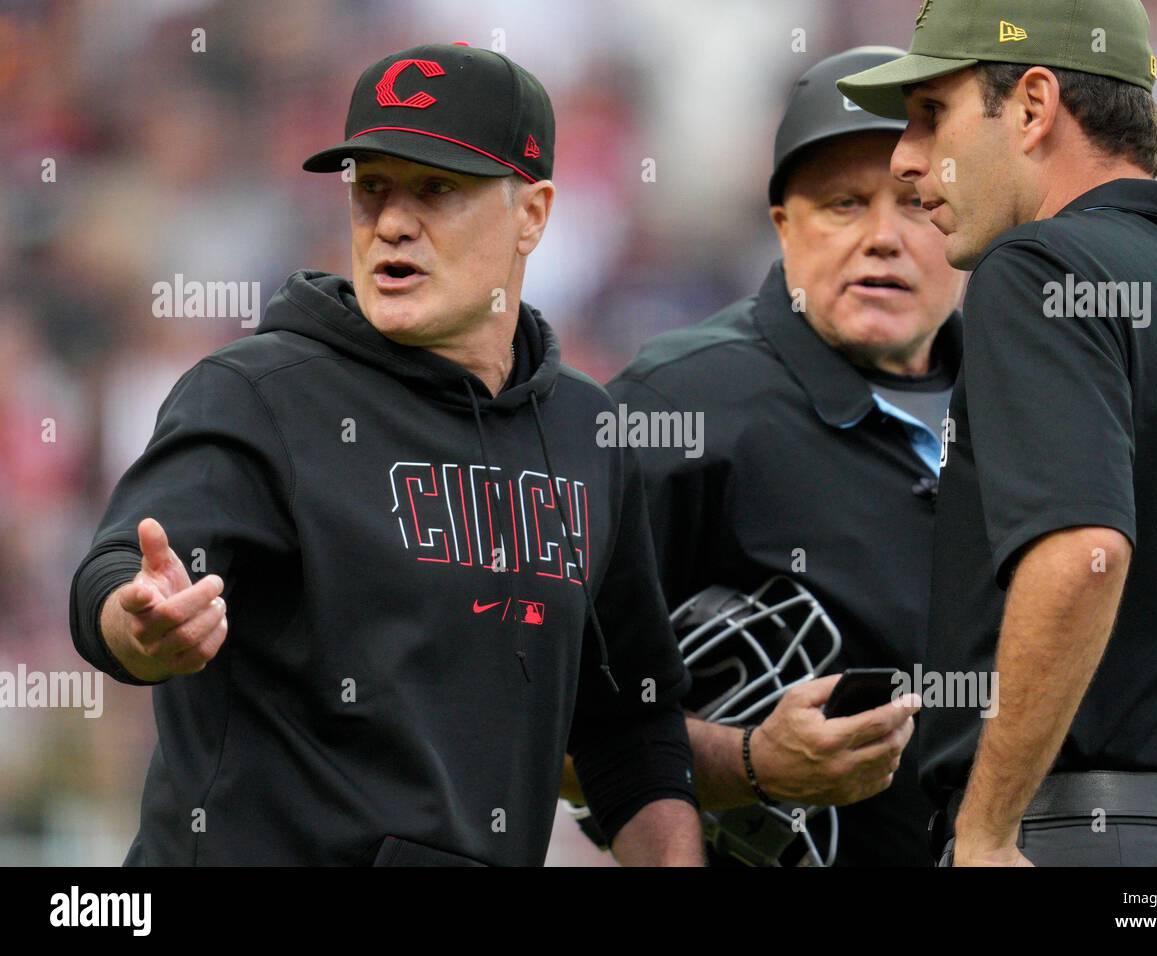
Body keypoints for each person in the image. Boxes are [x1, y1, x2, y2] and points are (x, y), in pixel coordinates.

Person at [68, 42, 704, 866]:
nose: (394, 222)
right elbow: (117, 576)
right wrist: (138, 625)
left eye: (437, 189)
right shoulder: (260, 393)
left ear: (533, 214)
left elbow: (631, 731)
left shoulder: (586, 431)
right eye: (372, 189)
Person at [839, 0, 1157, 865]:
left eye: (931, 113)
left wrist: (985, 834)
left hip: (1077, 840)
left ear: (1034, 105)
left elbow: (1084, 551)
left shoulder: (1040, 265)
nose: (905, 159)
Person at [566, 47, 965, 866]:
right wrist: (749, 765)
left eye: (916, 202)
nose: (882, 238)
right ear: (783, 226)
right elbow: (544, 724)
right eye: (843, 205)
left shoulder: (1040, 404)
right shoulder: (675, 410)